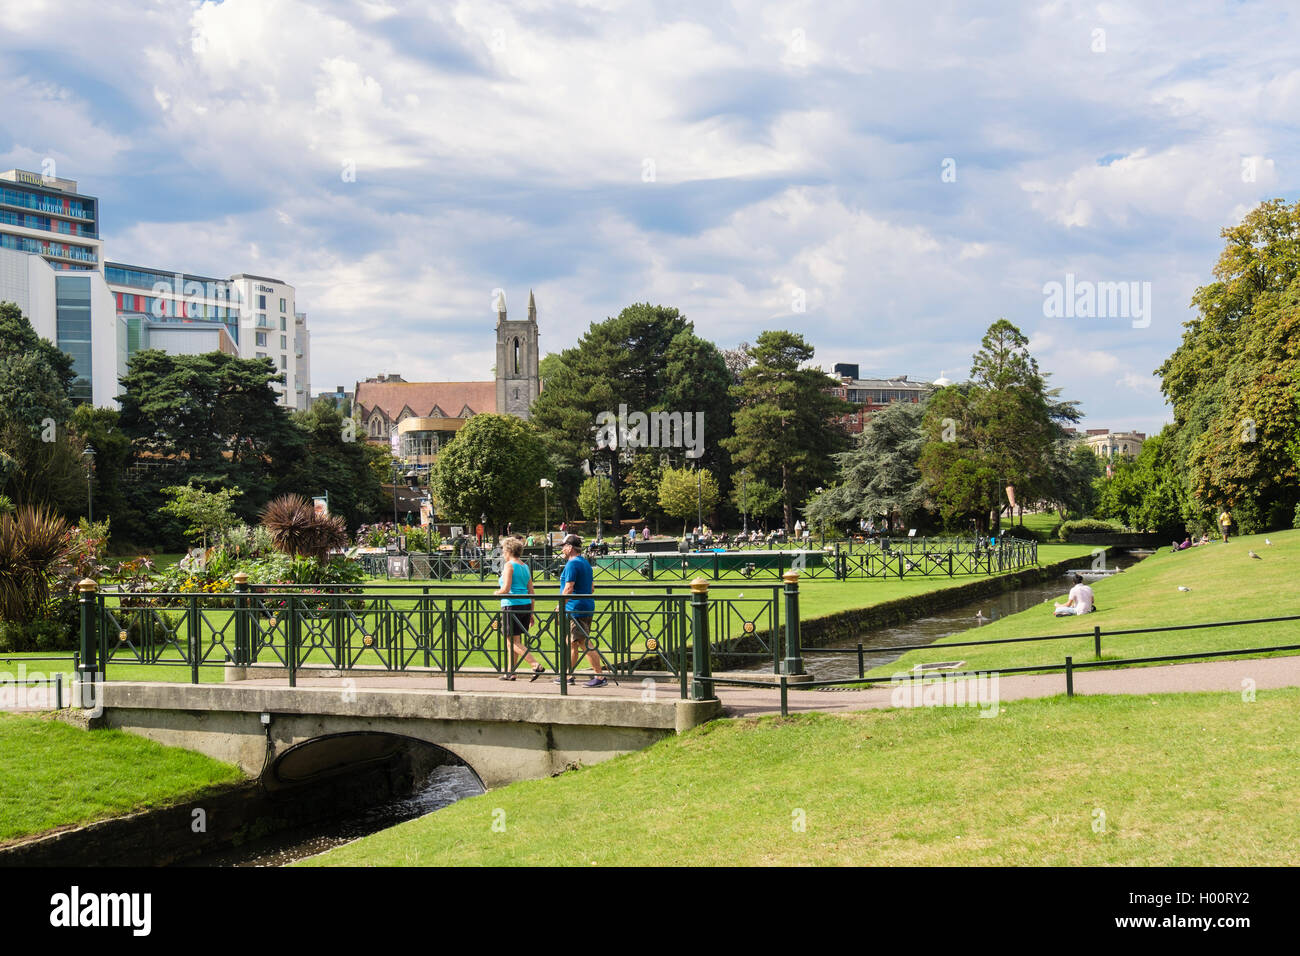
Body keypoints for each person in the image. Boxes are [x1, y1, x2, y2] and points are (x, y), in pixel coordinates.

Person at [557, 534, 607, 687]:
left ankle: (599, 677)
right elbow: (591, 588)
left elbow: (569, 587)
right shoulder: (585, 563)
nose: (562, 550)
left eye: (563, 547)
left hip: (575, 608)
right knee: (572, 642)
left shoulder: (571, 564)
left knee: (582, 642)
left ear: (570, 548)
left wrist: (560, 605)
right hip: (585, 605)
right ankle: (568, 675)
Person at [494, 537, 544, 681]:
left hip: (511, 605)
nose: (502, 552)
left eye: (503, 549)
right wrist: (532, 613)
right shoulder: (525, 566)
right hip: (525, 605)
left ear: (509, 550)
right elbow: (531, 592)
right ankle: (511, 672)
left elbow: (506, 588)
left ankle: (535, 665)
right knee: (515, 640)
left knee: (511, 642)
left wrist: (497, 592)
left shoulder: (509, 565)